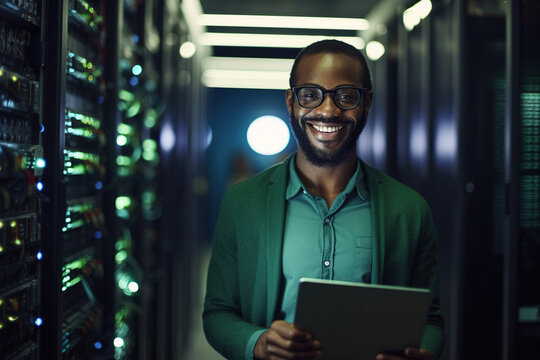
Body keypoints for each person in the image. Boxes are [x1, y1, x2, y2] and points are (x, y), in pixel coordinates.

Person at [203, 39, 444, 360]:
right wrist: (258, 343)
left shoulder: (409, 209)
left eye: (345, 96)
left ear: (367, 103)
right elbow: (217, 314)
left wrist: (423, 351)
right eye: (310, 95)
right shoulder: (243, 202)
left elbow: (431, 320)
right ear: (291, 101)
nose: (328, 110)